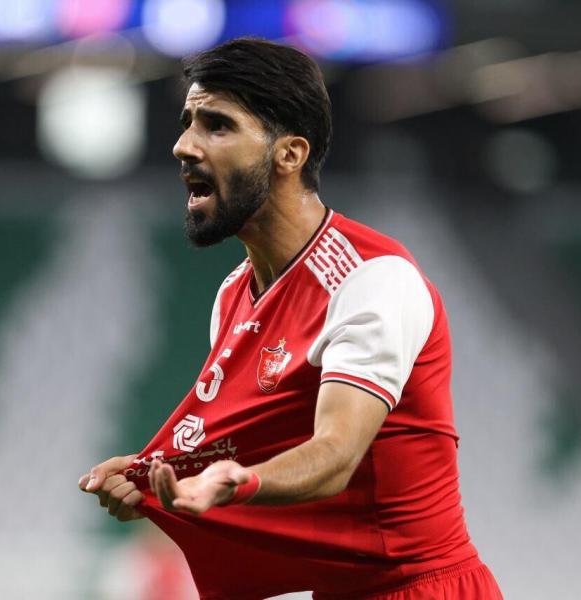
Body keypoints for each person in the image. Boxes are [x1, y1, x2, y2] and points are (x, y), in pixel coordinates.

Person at [79, 38, 503, 600]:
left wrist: (238, 483)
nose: (183, 145)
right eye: (187, 124)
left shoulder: (370, 279)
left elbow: (335, 455)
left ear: (290, 154)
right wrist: (158, 480)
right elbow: (253, 444)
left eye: (217, 125)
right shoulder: (234, 295)